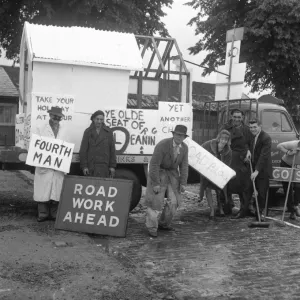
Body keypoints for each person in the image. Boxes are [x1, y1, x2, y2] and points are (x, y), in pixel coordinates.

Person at [144, 124, 189, 237]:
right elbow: (154, 164)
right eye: (177, 134)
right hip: (158, 172)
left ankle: (164, 223)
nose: (179, 137)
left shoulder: (184, 148)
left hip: (173, 175)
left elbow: (184, 166)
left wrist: (183, 182)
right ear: (173, 134)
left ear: (184, 137)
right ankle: (152, 227)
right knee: (155, 201)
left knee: (174, 201)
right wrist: (155, 183)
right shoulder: (163, 145)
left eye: (182, 136)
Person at [33, 106, 67, 222]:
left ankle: (54, 214)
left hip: (57, 166)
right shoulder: (40, 128)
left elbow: (66, 147)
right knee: (43, 190)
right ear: (50, 115)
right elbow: (34, 145)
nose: (56, 119)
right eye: (54, 116)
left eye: (59, 117)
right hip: (44, 164)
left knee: (56, 191)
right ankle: (42, 214)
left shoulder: (64, 129)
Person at [222, 109, 252, 218]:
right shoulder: (226, 127)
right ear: (231, 117)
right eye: (235, 117)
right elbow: (220, 140)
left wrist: (249, 151)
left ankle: (244, 209)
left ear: (242, 118)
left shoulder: (247, 129)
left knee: (243, 185)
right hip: (228, 158)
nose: (237, 119)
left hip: (242, 159)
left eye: (239, 117)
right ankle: (227, 206)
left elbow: (251, 143)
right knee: (227, 183)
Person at [199, 129, 232, 219]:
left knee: (219, 190)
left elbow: (227, 164)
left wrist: (221, 171)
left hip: (219, 173)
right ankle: (212, 210)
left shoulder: (228, 151)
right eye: (222, 138)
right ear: (219, 138)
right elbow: (199, 152)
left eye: (226, 139)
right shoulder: (209, 144)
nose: (224, 141)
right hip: (207, 172)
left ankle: (220, 208)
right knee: (208, 189)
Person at [244, 119, 272, 220]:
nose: (252, 129)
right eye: (251, 127)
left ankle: (260, 213)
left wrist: (256, 171)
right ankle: (247, 210)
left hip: (263, 169)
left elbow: (263, 156)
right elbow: (246, 143)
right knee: (248, 189)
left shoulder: (266, 138)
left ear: (260, 126)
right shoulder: (251, 135)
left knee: (261, 192)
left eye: (255, 127)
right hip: (253, 167)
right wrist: (248, 151)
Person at [79, 110, 116, 178]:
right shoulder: (88, 132)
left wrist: (112, 166)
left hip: (104, 167)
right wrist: (84, 166)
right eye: (97, 119)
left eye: (101, 119)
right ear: (93, 119)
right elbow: (83, 150)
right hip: (92, 167)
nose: (99, 121)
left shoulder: (108, 132)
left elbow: (112, 150)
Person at [277, 140, 300, 219]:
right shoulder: (294, 144)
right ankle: (291, 211)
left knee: (298, 186)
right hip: (286, 164)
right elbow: (279, 145)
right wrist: (288, 152)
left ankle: (296, 206)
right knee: (288, 187)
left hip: (298, 166)